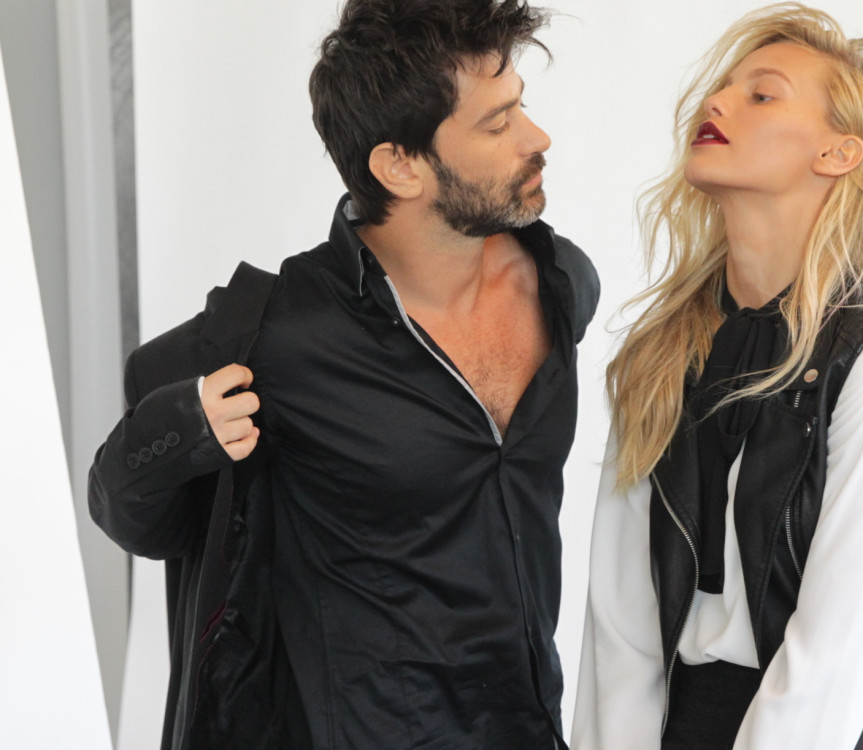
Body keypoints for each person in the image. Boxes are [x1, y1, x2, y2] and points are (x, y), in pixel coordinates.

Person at [88, 1, 598, 748]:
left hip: (531, 725)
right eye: (497, 124)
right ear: (400, 166)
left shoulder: (562, 284)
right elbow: (127, 507)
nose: (537, 137)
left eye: (520, 106)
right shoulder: (281, 331)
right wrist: (187, 424)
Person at [572, 4, 863, 750]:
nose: (717, 102)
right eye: (722, 87)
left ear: (838, 153)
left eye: (761, 94)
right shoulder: (664, 355)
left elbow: (833, 662)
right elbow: (620, 640)